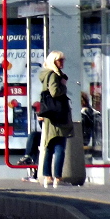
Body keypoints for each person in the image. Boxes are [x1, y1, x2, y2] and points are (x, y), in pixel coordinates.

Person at [38, 50, 74, 188]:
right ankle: (57, 178)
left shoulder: (46, 75)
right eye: (60, 60)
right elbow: (55, 92)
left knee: (49, 146)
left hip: (50, 115)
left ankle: (47, 176)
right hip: (58, 115)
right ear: (54, 61)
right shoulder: (54, 75)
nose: (62, 62)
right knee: (59, 146)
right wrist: (63, 85)